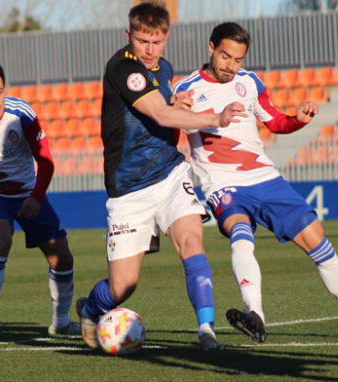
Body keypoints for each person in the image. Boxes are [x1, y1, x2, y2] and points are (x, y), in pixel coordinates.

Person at [173, 22, 338, 343]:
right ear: (210, 48)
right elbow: (169, 132)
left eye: (238, 60)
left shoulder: (250, 83)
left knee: (318, 242)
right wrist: (175, 111)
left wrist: (297, 119)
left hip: (266, 179)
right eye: (226, 56)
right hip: (223, 183)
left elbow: (275, 121)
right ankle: (255, 314)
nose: (231, 66)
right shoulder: (185, 89)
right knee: (241, 235)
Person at [74, 1, 246, 352]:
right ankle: (90, 310)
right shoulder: (123, 68)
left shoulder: (163, 68)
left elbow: (165, 108)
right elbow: (161, 117)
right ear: (130, 35)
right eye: (142, 41)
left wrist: (177, 102)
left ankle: (206, 332)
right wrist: (215, 118)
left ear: (166, 38)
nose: (150, 50)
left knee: (192, 243)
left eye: (157, 42)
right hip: (129, 190)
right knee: (123, 286)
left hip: (170, 173)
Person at [0, 63, 80, 342]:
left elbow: (45, 162)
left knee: (62, 255)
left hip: (28, 191)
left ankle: (61, 322)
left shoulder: (21, 114)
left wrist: (35, 197)